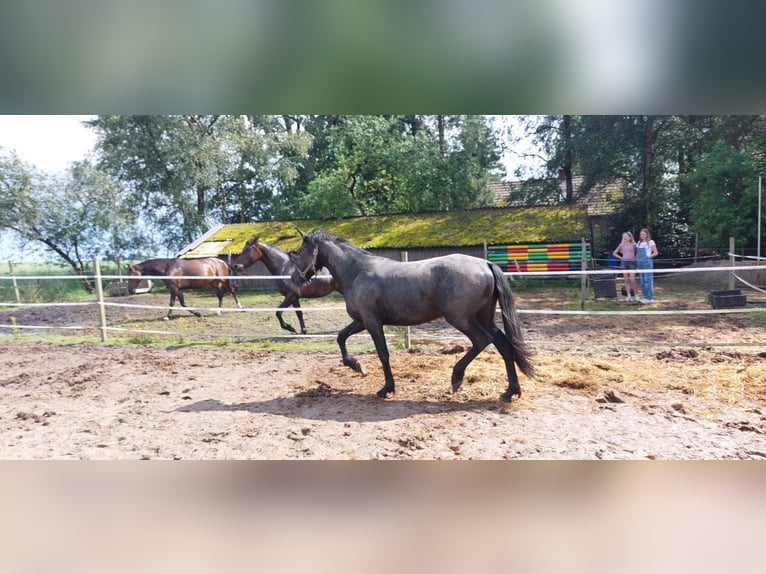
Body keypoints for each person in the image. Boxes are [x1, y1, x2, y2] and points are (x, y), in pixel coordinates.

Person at [612, 231, 638, 301]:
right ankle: (628, 295)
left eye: (626, 236)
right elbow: (614, 253)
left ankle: (636, 295)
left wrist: (635, 258)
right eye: (623, 237)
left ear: (630, 237)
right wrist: (621, 258)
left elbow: (637, 252)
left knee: (632, 280)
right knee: (626, 280)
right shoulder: (621, 245)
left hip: (632, 262)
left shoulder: (634, 244)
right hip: (624, 263)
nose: (625, 238)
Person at [636, 227, 658, 303]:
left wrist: (648, 256)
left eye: (644, 234)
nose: (642, 235)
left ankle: (649, 298)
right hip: (640, 263)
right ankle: (645, 297)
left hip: (647, 263)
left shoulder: (651, 242)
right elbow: (637, 254)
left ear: (647, 234)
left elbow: (655, 253)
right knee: (642, 281)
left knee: (647, 280)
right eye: (641, 234)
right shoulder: (638, 243)